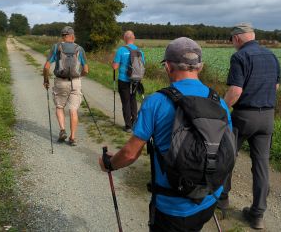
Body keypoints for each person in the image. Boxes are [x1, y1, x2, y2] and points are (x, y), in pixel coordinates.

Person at [99, 37, 233, 232]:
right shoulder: (218, 101)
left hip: (172, 207)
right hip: (209, 199)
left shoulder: (156, 102)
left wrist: (109, 164)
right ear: (200, 67)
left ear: (168, 67)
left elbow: (129, 154)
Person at [223, 23, 281, 229]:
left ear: (237, 38)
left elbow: (236, 91)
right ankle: (257, 214)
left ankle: (221, 199)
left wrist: (222, 107)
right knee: (261, 164)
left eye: (232, 40)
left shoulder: (240, 57)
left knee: (227, 153)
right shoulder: (271, 56)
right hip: (267, 117)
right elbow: (275, 85)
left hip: (244, 116)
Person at [43, 26, 88, 146]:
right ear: (72, 36)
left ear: (62, 36)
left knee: (59, 106)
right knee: (73, 109)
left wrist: (46, 80)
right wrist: (79, 77)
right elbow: (86, 70)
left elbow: (46, 67)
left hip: (60, 82)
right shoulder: (80, 48)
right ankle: (73, 138)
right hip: (75, 82)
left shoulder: (57, 47)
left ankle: (62, 130)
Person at [112, 30, 145, 133]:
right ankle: (134, 122)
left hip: (124, 80)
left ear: (124, 39)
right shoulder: (140, 51)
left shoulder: (121, 50)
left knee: (125, 102)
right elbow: (142, 65)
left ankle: (128, 126)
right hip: (135, 80)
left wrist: (114, 63)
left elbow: (115, 66)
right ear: (133, 38)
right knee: (133, 100)